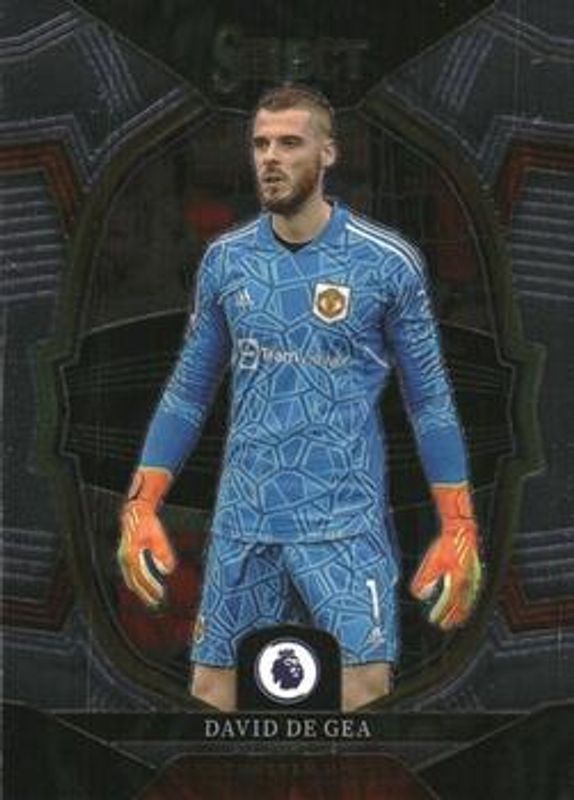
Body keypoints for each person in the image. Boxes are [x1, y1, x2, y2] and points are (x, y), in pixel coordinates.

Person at [117, 84, 482, 712]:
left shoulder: (386, 264)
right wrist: (141, 503)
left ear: (328, 152)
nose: (270, 158)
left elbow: (429, 401)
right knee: (213, 695)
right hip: (244, 522)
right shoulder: (227, 261)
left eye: (289, 143)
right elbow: (188, 391)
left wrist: (458, 523)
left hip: (344, 526)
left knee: (363, 695)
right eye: (261, 144)